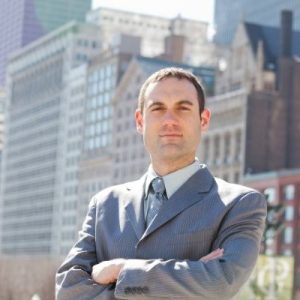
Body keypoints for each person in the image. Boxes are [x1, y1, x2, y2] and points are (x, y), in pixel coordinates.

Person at [56, 67, 267, 299]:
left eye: (183, 108)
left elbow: (219, 282)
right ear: (139, 121)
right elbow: (68, 290)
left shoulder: (240, 204)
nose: (170, 120)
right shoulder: (104, 205)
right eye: (157, 108)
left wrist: (121, 271)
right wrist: (188, 277)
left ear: (204, 120)